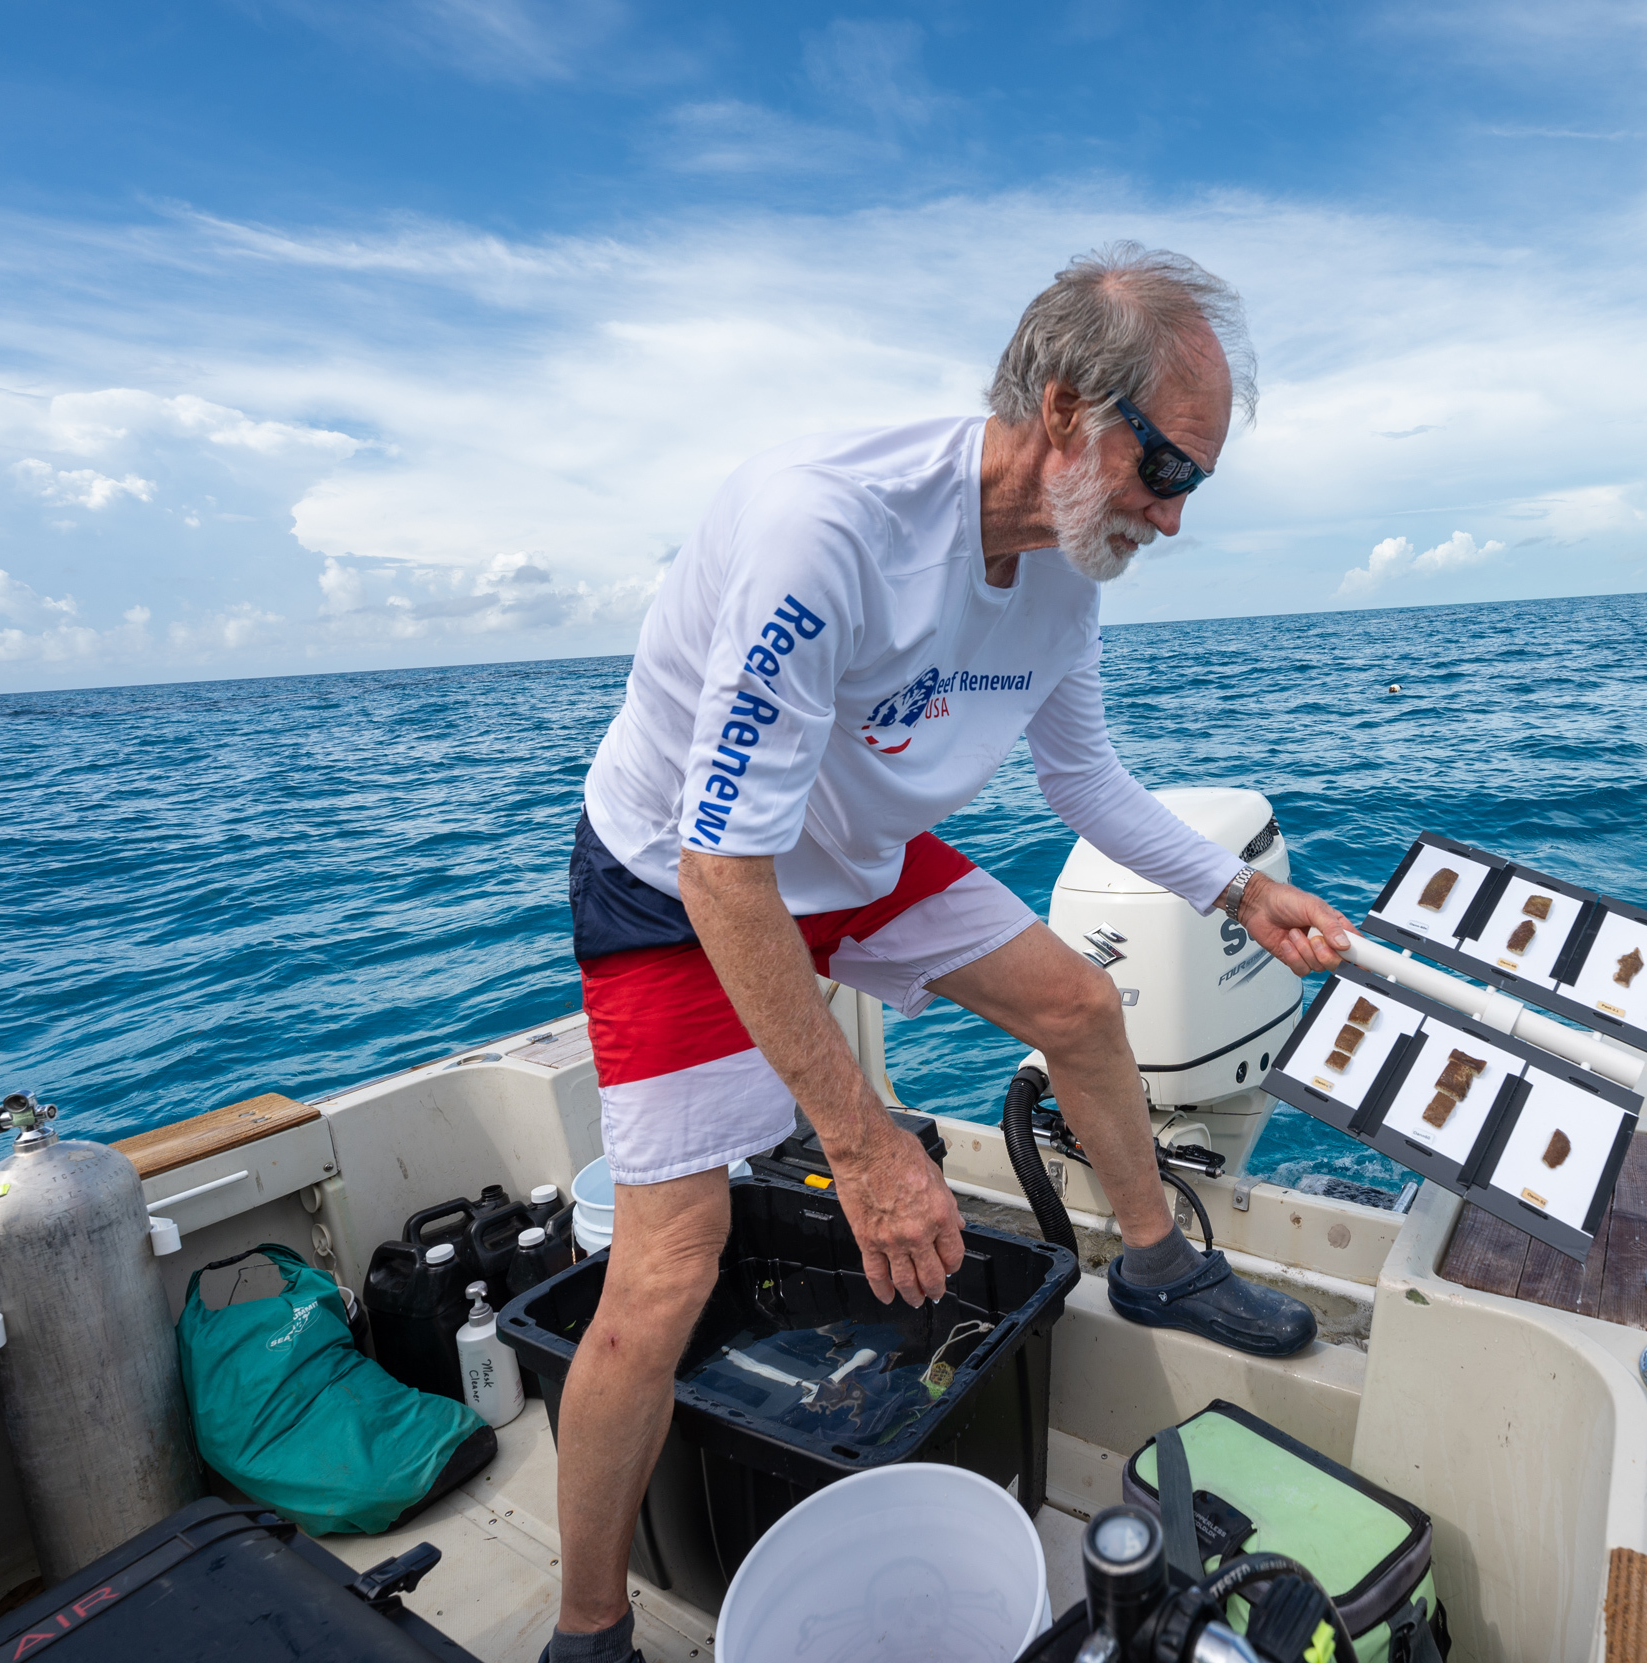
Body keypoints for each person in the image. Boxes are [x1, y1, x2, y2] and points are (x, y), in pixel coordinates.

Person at [545, 243, 1354, 1663]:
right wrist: (860, 1143)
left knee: (1082, 1007)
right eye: (1167, 469)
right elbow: (723, 861)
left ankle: (1157, 1260)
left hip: (849, 849)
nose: (1174, 516)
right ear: (1062, 407)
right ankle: (589, 1629)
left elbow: (1086, 785)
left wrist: (1238, 896)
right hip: (685, 874)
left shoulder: (1063, 569)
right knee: (668, 1267)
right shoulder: (827, 528)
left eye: (1195, 485)